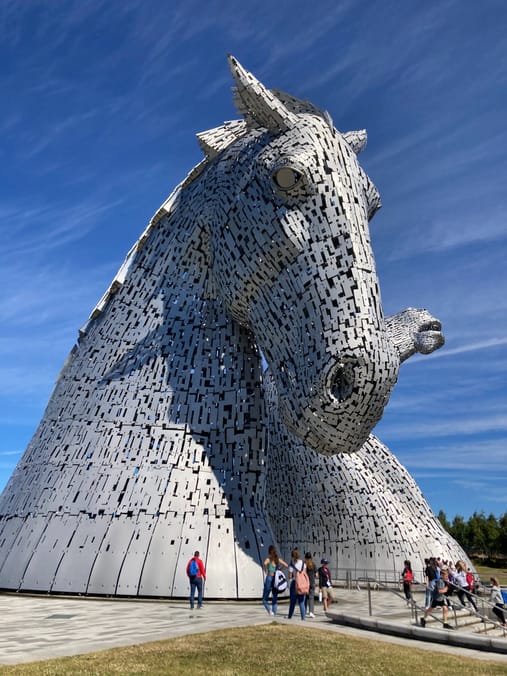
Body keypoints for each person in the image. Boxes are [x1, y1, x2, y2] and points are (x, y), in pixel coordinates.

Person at [262, 545, 288, 616]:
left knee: (264, 599)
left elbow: (264, 563)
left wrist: (266, 570)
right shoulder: (277, 559)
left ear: (269, 552)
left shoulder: (269, 559)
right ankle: (274, 613)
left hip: (270, 577)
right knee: (274, 597)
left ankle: (270, 611)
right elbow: (286, 565)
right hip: (276, 579)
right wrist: (280, 570)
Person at [287, 548, 306, 620]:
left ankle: (290, 616)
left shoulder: (292, 564)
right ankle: (303, 618)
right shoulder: (303, 563)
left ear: (292, 556)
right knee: (301, 602)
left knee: (292, 602)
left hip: (295, 583)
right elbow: (304, 573)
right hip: (302, 583)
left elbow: (289, 576)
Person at [304, 552, 316, 617]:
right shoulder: (313, 564)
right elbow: (316, 574)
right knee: (311, 598)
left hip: (305, 582)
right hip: (312, 582)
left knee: (305, 597)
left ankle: (304, 611)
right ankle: (311, 612)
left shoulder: (304, 564)